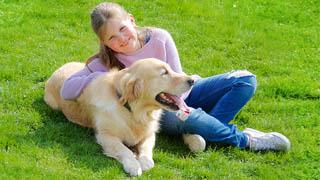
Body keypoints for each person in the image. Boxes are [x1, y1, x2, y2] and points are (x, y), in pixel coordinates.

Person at [61, 2, 290, 152]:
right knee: (187, 117)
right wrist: (111, 75)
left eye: (122, 28)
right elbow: (67, 90)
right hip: (155, 111)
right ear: (104, 43)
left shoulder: (159, 38)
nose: (120, 38)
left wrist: (184, 106)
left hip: (182, 92)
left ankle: (200, 130)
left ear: (131, 19)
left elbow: (182, 80)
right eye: (111, 38)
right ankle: (246, 140)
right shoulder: (104, 62)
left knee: (245, 80)